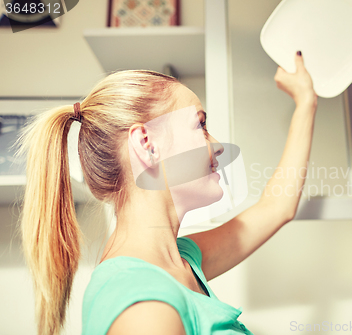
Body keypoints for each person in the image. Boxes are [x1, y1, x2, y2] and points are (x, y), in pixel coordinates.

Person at [14, 50, 318, 335]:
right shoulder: (144, 307)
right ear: (147, 144)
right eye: (200, 124)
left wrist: (306, 102)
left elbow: (277, 207)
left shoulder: (181, 260)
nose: (218, 145)